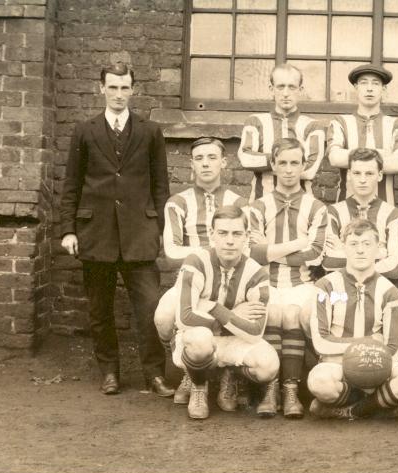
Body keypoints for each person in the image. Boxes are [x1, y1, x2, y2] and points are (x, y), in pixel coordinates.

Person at [58, 62, 173, 397]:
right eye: (113, 87)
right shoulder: (85, 130)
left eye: (125, 88)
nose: (119, 94)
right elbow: (71, 185)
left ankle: (154, 374)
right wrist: (68, 230)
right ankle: (109, 372)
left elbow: (160, 187)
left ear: (133, 89)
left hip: (140, 234)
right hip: (97, 234)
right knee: (99, 309)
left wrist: (163, 230)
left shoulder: (150, 132)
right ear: (101, 89)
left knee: (151, 307)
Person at [154, 136, 249, 406]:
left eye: (211, 157)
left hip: (230, 280)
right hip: (190, 280)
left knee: (236, 314)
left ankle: (230, 376)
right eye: (199, 158)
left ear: (224, 162)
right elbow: (172, 250)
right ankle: (187, 368)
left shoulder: (239, 202)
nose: (206, 163)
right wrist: (209, 255)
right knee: (163, 315)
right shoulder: (178, 202)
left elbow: (247, 247)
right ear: (191, 164)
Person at [308, 219, 398, 419]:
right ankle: (378, 405)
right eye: (353, 244)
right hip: (338, 364)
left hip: (378, 367)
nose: (360, 250)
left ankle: (353, 411)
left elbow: (393, 350)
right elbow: (320, 341)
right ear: (344, 247)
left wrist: (370, 363)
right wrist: (367, 344)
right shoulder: (325, 285)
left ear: (378, 249)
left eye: (367, 244)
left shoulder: (389, 291)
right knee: (319, 382)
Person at [171, 206, 279, 419]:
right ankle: (198, 385)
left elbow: (256, 331)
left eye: (237, 233)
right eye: (223, 233)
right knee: (200, 339)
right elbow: (185, 317)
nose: (230, 240)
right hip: (202, 337)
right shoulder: (197, 261)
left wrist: (213, 307)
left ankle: (230, 373)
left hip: (234, 340)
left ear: (247, 237)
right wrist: (234, 315)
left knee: (269, 366)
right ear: (212, 235)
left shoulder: (256, 272)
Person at [249, 137, 328, 418]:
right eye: (282, 163)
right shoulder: (258, 206)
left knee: (293, 312)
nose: (289, 169)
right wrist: (297, 244)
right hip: (265, 281)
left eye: (295, 163)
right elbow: (253, 255)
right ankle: (270, 388)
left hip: (302, 283)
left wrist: (270, 250)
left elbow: (317, 255)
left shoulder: (316, 207)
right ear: (272, 166)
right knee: (270, 311)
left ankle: (290, 389)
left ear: (304, 166)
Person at [238, 63, 326, 200]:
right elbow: (246, 159)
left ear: (300, 90)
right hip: (262, 202)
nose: (286, 93)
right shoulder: (255, 122)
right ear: (271, 89)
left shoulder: (313, 126)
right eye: (280, 87)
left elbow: (309, 171)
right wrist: (293, 162)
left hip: (302, 205)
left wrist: (267, 162)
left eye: (292, 87)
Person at [326, 64, 398, 204]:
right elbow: (335, 158)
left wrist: (352, 157)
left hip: (385, 205)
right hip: (346, 204)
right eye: (364, 83)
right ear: (356, 88)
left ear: (383, 90)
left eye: (375, 83)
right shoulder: (340, 122)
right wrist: (382, 154)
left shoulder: (396, 124)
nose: (369, 88)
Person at [322, 148, 398, 282]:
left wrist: (342, 248)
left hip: (378, 291)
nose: (363, 180)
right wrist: (381, 252)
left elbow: (394, 269)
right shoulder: (333, 212)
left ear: (380, 175)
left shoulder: (393, 215)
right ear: (348, 175)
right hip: (342, 289)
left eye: (369, 173)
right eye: (357, 173)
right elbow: (329, 261)